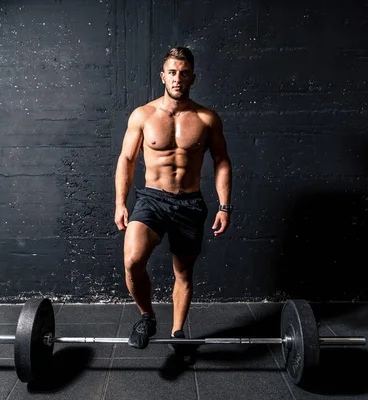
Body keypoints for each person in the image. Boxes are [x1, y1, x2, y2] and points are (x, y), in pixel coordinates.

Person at [114, 46, 233, 350]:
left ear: (193, 77)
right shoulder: (143, 115)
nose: (177, 78)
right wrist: (120, 203)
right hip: (152, 199)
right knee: (132, 261)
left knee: (183, 274)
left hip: (190, 203)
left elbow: (222, 161)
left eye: (184, 73)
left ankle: (178, 334)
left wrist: (224, 206)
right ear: (162, 76)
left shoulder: (207, 119)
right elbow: (127, 159)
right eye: (172, 72)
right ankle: (147, 317)